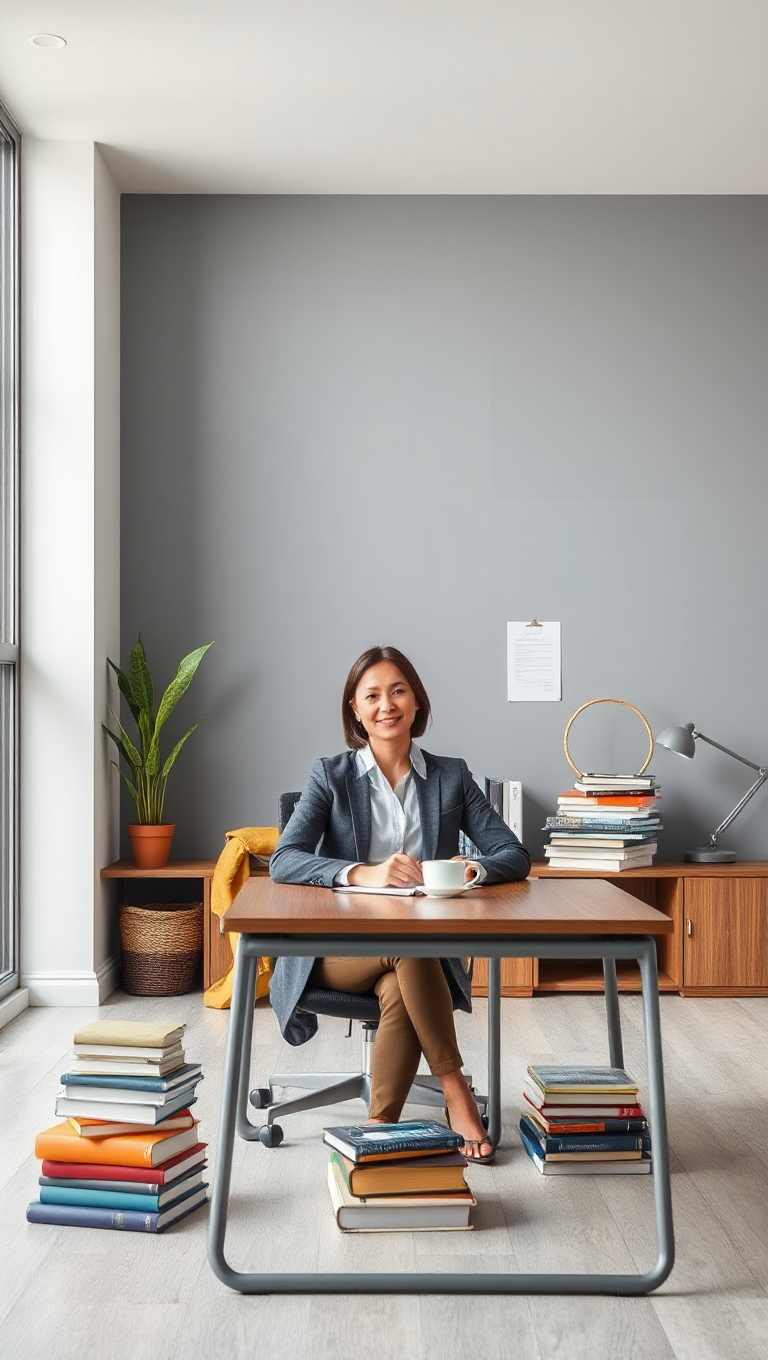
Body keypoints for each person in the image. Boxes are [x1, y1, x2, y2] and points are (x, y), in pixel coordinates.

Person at [269, 645, 530, 1161]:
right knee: (412, 950)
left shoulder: (451, 776)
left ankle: (376, 1129)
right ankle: (454, 1089)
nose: (386, 704)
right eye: (372, 695)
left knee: (401, 976)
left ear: (415, 702)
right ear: (356, 710)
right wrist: (362, 873)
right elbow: (285, 859)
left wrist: (471, 870)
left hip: (416, 955)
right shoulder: (331, 775)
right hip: (335, 951)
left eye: (398, 690)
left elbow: (514, 854)